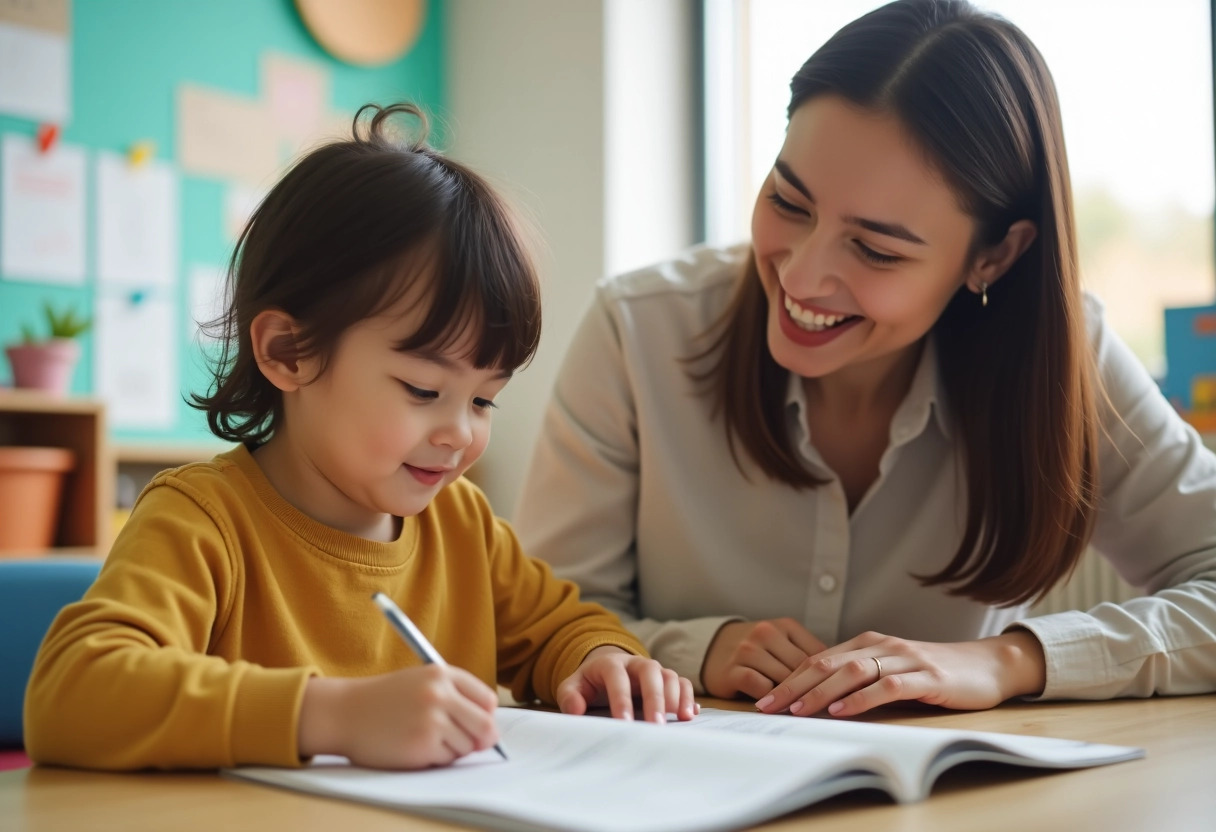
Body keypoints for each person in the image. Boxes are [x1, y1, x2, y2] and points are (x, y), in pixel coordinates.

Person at [515, 0, 1216, 719]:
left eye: (876, 249)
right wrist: (698, 648)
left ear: (995, 256)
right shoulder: (637, 332)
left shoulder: (1068, 362)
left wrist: (1010, 658)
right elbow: (533, 620)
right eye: (789, 201)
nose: (802, 277)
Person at [25, 103, 695, 773]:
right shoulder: (202, 522)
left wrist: (606, 661)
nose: (460, 433)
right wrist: (333, 716)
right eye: (423, 391)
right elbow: (71, 692)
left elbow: (563, 628)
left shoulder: (461, 527)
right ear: (289, 352)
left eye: (485, 399)